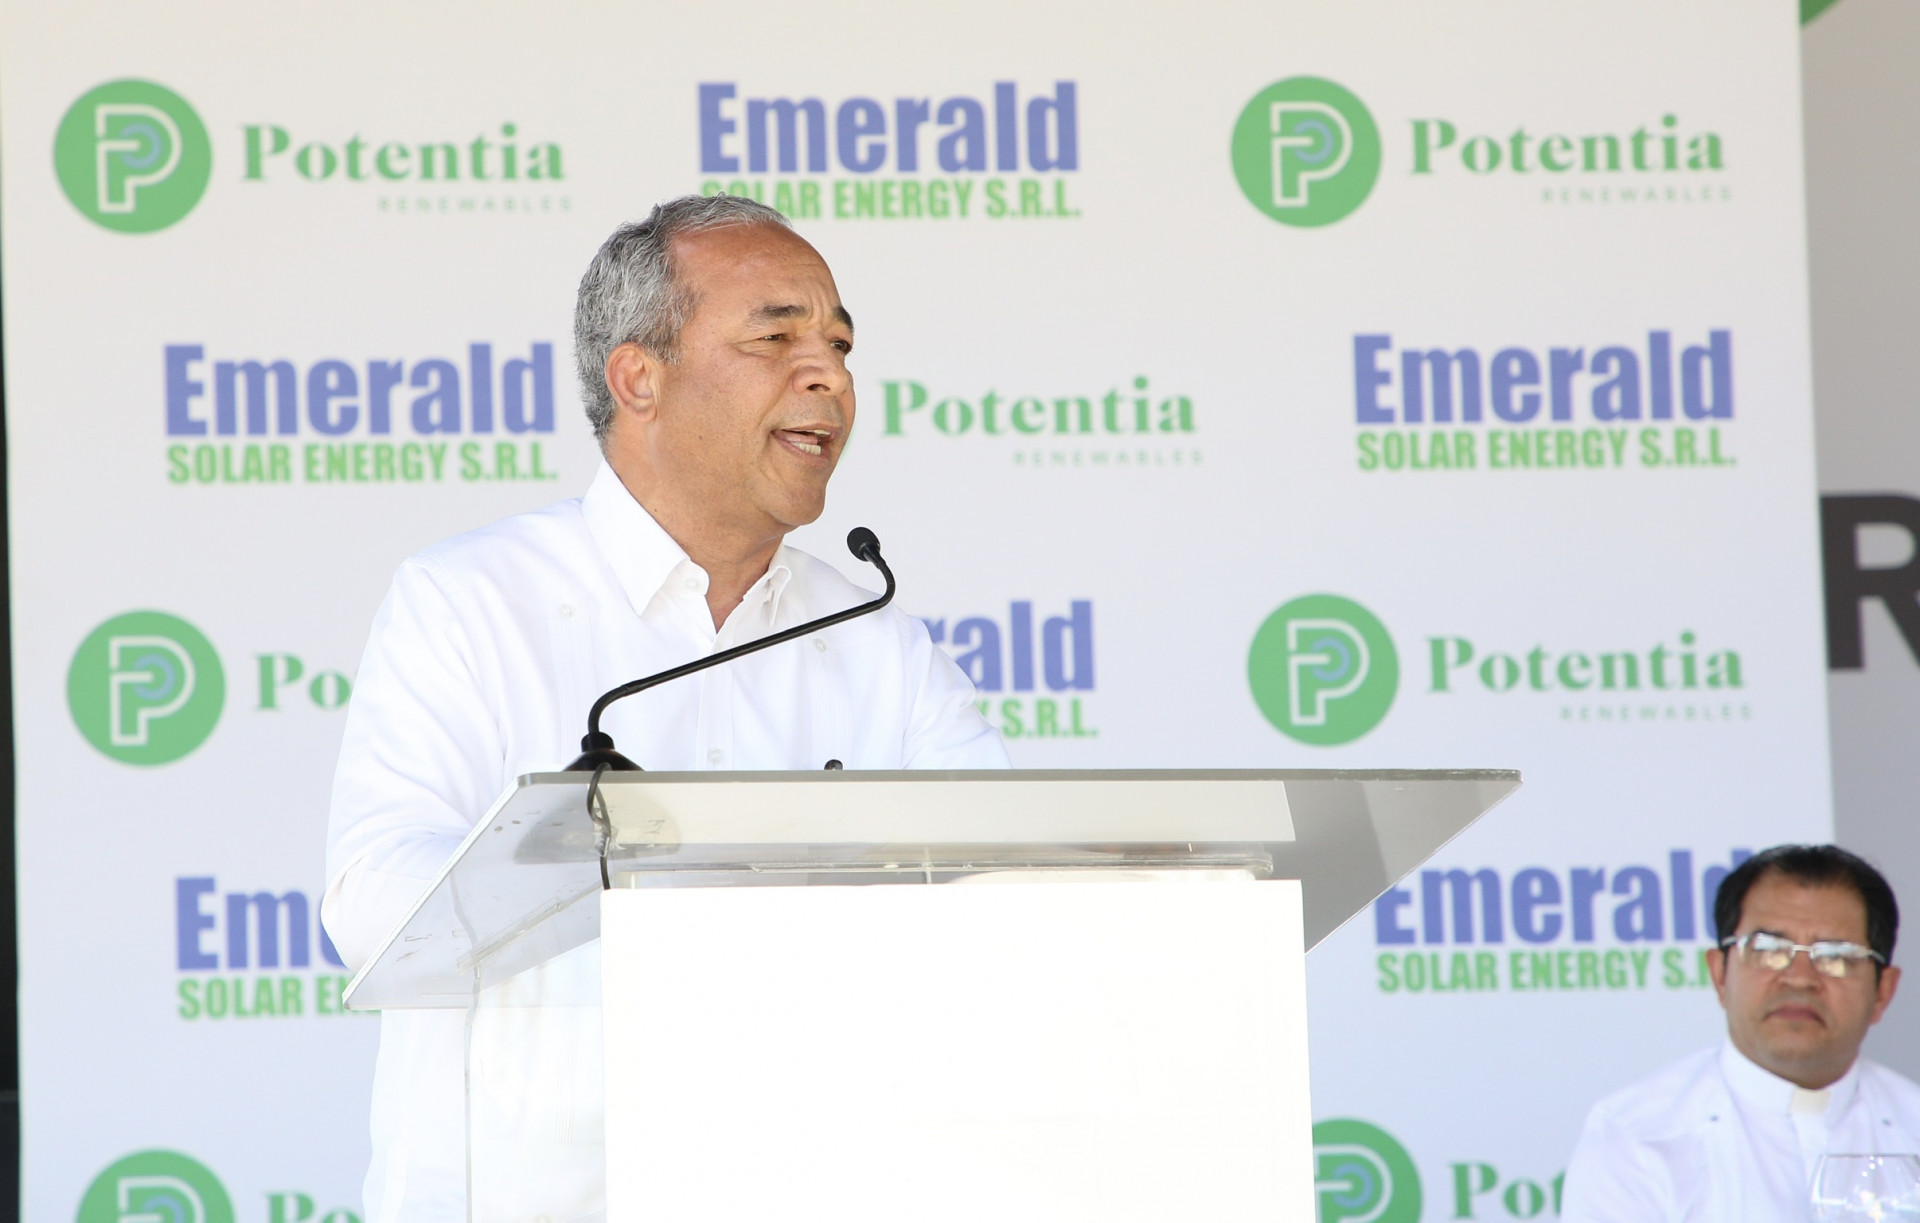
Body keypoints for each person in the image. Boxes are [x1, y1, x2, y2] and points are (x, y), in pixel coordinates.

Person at [321, 194, 1008, 1222]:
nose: (829, 375)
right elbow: (370, 908)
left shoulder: (878, 641)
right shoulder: (470, 600)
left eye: (838, 344)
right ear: (638, 377)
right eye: (775, 338)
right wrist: (601, 858)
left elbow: (1009, 897)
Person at [1561, 844, 1920, 1222]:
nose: (1799, 978)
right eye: (1768, 949)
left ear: (1883, 991)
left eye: (1836, 956)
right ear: (1719, 975)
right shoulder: (1636, 1138)